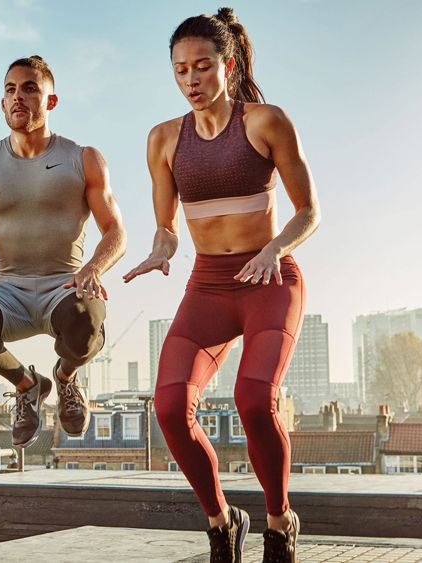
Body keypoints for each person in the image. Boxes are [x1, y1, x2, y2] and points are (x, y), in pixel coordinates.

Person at [123, 8, 320, 563]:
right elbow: (166, 230)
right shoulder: (163, 139)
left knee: (254, 399)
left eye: (202, 67)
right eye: (180, 70)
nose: (191, 80)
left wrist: (275, 248)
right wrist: (158, 253)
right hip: (208, 285)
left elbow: (309, 211)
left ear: (227, 66)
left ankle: (279, 522)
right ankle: (222, 520)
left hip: (270, 280)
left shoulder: (265, 122)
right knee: (167, 408)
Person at [0, 55, 126, 447]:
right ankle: (28, 384)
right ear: (2, 104)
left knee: (86, 319)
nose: (18, 97)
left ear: (50, 102)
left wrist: (94, 268)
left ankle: (65, 378)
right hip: (8, 288)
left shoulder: (82, 159)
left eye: (30, 88)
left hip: (64, 284)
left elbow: (116, 231)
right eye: (10, 90)